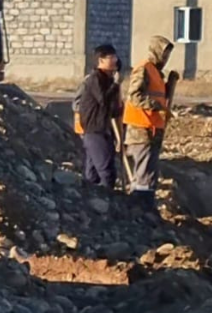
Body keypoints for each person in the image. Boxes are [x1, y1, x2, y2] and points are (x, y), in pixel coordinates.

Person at [122, 35, 178, 215]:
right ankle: (140, 207)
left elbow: (158, 95)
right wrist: (158, 106)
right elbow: (135, 96)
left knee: (150, 171)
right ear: (156, 50)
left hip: (153, 130)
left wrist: (169, 86)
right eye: (164, 54)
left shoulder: (157, 73)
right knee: (144, 171)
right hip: (141, 129)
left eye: (168, 55)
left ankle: (146, 206)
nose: (166, 58)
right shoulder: (144, 69)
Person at [74, 44, 123, 189]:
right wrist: (116, 85)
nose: (115, 60)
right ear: (101, 60)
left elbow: (113, 109)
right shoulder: (94, 79)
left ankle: (92, 203)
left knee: (93, 174)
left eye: (115, 56)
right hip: (94, 130)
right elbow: (103, 100)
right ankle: (105, 204)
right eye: (111, 57)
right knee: (107, 173)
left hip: (104, 130)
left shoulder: (109, 80)